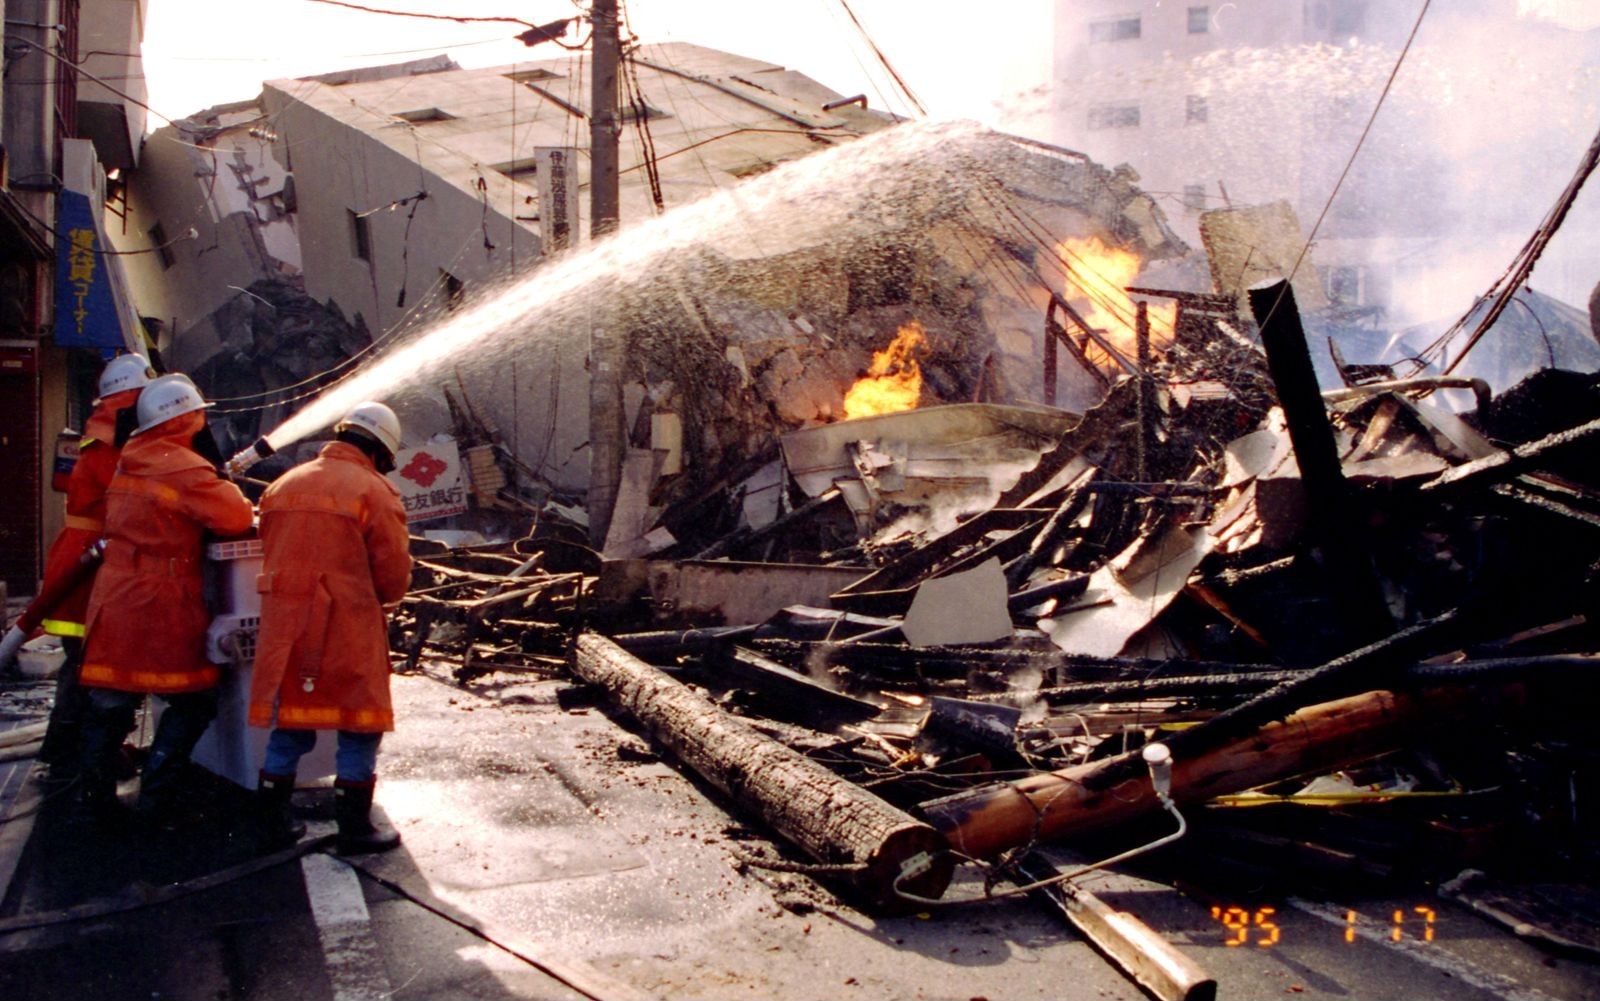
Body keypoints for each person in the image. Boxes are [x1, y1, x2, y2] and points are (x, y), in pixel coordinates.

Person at [76, 374, 254, 826]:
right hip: (159, 600)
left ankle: (93, 802)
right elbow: (236, 517)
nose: (202, 419)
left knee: (110, 701)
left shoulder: (130, 457)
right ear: (182, 418)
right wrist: (222, 483)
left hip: (115, 595)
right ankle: (158, 798)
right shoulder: (185, 468)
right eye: (197, 413)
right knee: (195, 700)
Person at [248, 402, 412, 854]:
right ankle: (355, 828)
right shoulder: (374, 491)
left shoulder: (282, 485)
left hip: (286, 628)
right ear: (379, 451)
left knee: (291, 721)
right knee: (359, 723)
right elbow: (393, 574)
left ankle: (270, 823)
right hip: (346, 627)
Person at [28, 354, 154, 772]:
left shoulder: (105, 432)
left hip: (87, 555)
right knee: (89, 665)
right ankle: (74, 755)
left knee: (83, 663)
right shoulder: (112, 442)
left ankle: (70, 749)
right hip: (91, 562)